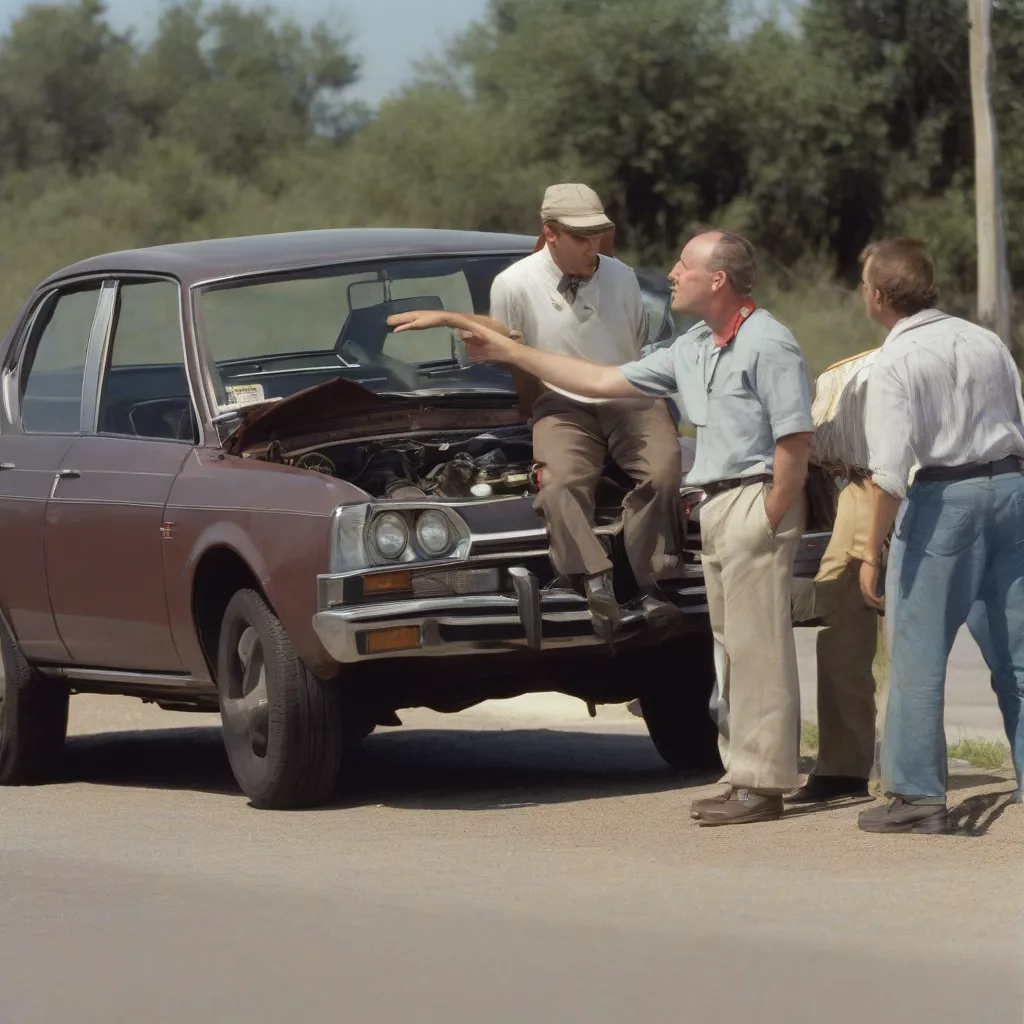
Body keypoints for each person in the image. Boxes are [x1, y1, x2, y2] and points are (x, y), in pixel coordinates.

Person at [390, 228, 815, 827]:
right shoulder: (692, 347)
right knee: (731, 653)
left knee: (759, 650)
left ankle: (766, 784)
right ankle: (743, 773)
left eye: (684, 265)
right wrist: (511, 353)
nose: (671, 273)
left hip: (750, 501)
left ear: (717, 280)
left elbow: (795, 437)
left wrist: (771, 510)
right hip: (716, 505)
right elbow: (595, 380)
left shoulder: (769, 342)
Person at [856, 237, 1024, 834]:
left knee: (918, 657)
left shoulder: (894, 361)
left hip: (942, 500)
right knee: (1018, 654)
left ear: (877, 296)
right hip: (1009, 489)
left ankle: (918, 795)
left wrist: (869, 550)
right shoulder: (987, 340)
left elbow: (888, 474)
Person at [488, 183, 684, 642]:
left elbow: (636, 343)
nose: (593, 246)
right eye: (581, 237)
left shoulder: (623, 276)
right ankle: (593, 577)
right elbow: (510, 360)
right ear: (550, 233)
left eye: (598, 234)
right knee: (557, 482)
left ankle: (648, 582)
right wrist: (531, 412)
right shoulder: (513, 284)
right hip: (558, 400)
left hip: (625, 388)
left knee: (664, 467)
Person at [788, 349, 882, 804]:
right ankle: (845, 767)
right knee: (840, 622)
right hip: (862, 486)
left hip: (886, 483)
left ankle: (897, 773)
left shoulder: (851, 370)